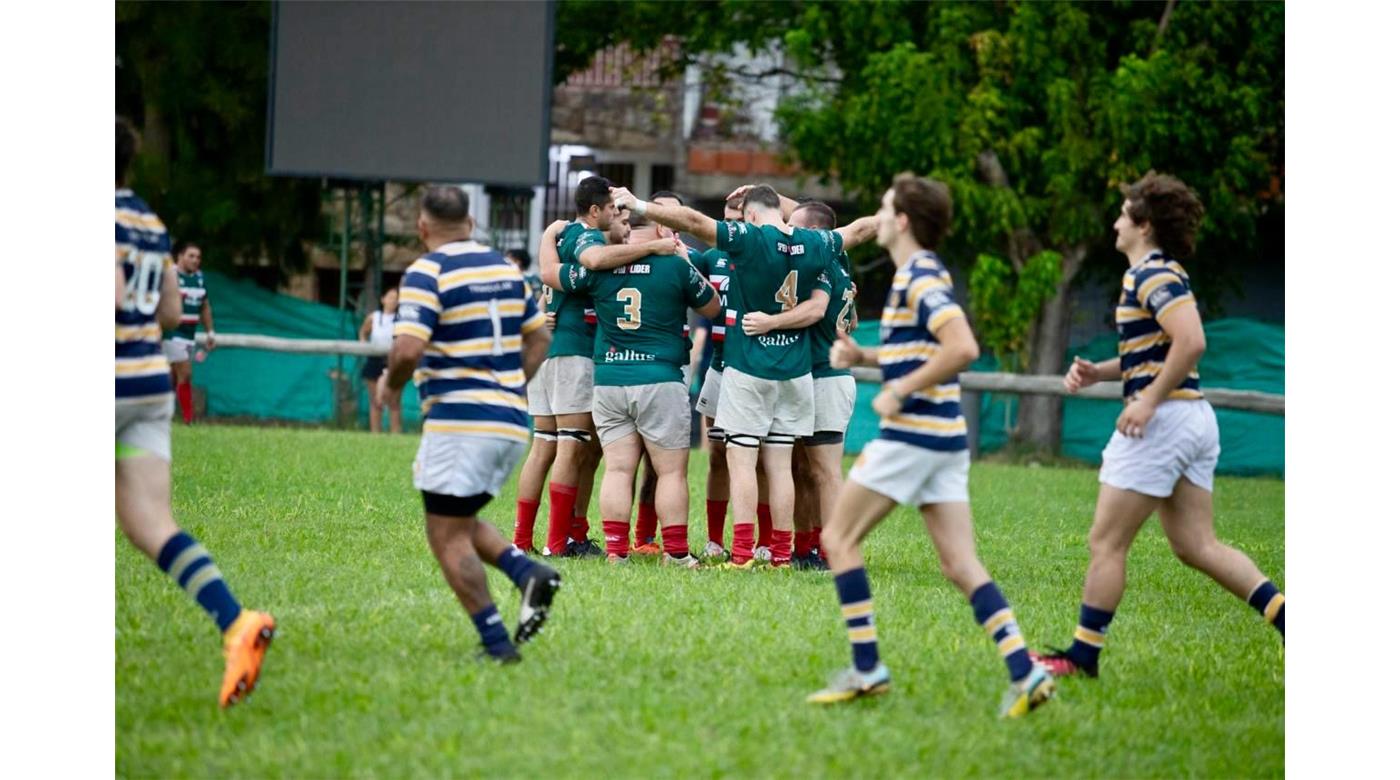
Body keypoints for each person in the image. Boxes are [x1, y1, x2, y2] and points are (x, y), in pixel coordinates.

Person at [807, 173, 1054, 719]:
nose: (876, 211)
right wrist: (868, 360)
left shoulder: (918, 276)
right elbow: (924, 351)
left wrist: (899, 388)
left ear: (901, 221)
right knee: (960, 564)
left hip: (914, 437)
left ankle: (868, 667)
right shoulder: (917, 276)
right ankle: (1025, 670)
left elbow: (961, 346)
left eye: (884, 204)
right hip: (945, 439)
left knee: (838, 539)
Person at [1031, 172, 1285, 679]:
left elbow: (1191, 342)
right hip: (1191, 418)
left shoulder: (1149, 274)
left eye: (1123, 213)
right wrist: (1101, 371)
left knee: (1107, 543)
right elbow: (1159, 351)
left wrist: (1146, 400)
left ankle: (1082, 657)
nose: (1115, 221)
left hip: (1165, 422)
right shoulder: (1160, 273)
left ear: (1143, 225)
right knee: (1197, 545)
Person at [612, 184, 877, 569]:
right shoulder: (816, 244)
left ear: (749, 215)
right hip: (797, 372)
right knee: (782, 466)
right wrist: (895, 215)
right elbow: (858, 230)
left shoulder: (748, 239)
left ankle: (740, 554)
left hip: (749, 367)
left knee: (742, 463)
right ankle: (783, 554)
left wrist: (637, 205)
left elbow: (693, 220)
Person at [115, 116, 275, 707]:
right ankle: (236, 623)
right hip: (146, 385)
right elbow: (166, 314)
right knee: (152, 525)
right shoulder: (150, 224)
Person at [380, 185, 562, 664]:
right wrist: (508, 386)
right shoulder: (504, 268)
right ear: (471, 223)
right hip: (508, 421)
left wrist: (390, 385)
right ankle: (526, 574)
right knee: (457, 520)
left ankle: (496, 645)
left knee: (444, 535)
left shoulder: (427, 271)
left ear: (422, 228)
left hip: (462, 423)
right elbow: (540, 337)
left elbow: (408, 349)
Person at [540, 211, 720, 565]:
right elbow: (713, 307)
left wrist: (548, 235)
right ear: (661, 228)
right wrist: (684, 259)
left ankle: (616, 551)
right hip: (660, 379)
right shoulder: (675, 265)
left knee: (618, 469)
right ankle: (676, 553)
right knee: (670, 471)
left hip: (609, 380)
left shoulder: (600, 267)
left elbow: (549, 274)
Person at [519, 176, 680, 558]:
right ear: (596, 212)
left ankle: (526, 538)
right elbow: (591, 262)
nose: (623, 224)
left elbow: (546, 273)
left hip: (547, 352)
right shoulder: (589, 243)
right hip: (572, 353)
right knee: (570, 448)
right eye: (616, 214)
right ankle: (559, 542)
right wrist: (656, 247)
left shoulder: (560, 237)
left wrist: (545, 235)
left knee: (545, 446)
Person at [761, 199, 856, 571]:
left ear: (816, 235)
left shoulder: (824, 263)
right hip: (809, 375)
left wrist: (768, 323)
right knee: (803, 469)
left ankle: (834, 552)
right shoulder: (837, 259)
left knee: (825, 471)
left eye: (796, 228)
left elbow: (816, 311)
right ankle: (807, 546)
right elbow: (815, 211)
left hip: (827, 378)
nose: (790, 233)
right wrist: (765, 196)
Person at [690, 193, 745, 561]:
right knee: (718, 454)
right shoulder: (712, 258)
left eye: (739, 217)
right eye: (726, 218)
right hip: (719, 365)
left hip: (757, 368)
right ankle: (713, 539)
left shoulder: (770, 253)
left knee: (759, 459)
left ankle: (762, 541)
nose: (731, 226)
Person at [161, 240, 215, 424]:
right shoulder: (170, 276)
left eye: (198, 257)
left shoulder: (199, 279)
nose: (195, 260)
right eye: (191, 256)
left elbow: (205, 307)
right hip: (171, 333)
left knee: (172, 377)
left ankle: (161, 415)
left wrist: (210, 332)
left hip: (189, 335)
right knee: (186, 373)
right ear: (180, 256)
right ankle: (188, 419)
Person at [359, 287, 403, 433]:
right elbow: (363, 332)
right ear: (383, 299)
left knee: (393, 401)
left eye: (396, 298)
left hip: (392, 360)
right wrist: (364, 345)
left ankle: (396, 434)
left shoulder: (400, 319)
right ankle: (375, 434)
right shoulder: (374, 317)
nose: (392, 300)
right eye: (390, 297)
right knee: (375, 400)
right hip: (374, 359)